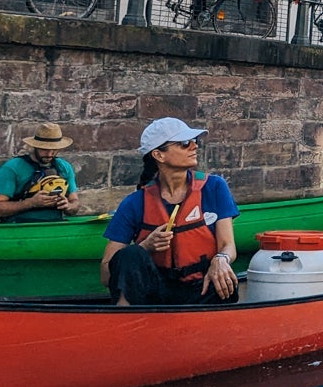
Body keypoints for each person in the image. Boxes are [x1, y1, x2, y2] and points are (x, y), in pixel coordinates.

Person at [100, 118, 240, 306]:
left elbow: (227, 245)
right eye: (184, 143)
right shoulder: (134, 203)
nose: (193, 147)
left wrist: (222, 259)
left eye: (194, 142)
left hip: (202, 289)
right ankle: (125, 324)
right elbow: (106, 275)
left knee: (224, 278)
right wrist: (144, 247)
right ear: (158, 155)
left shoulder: (215, 187)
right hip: (156, 295)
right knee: (130, 254)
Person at [0, 122, 81, 222]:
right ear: (35, 146)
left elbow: (75, 202)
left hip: (54, 227)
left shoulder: (64, 168)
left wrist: (68, 206)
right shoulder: (12, 168)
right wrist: (30, 203)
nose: (49, 154)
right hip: (18, 228)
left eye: (54, 150)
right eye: (44, 149)